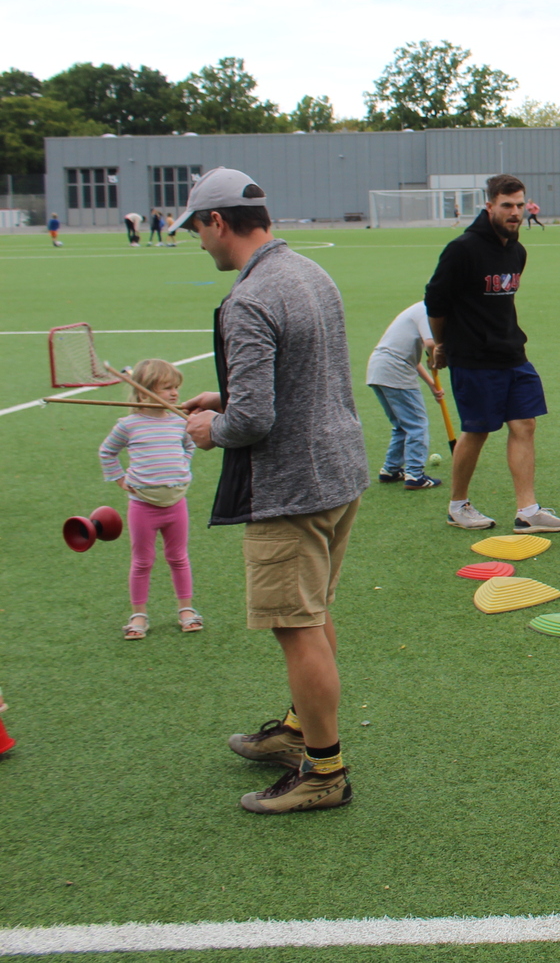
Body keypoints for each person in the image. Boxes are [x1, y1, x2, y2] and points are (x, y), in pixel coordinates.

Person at [172, 167, 368, 814]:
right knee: (313, 613)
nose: (198, 240)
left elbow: (253, 421)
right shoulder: (311, 272)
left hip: (291, 488)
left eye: (197, 228)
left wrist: (213, 428)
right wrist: (226, 396)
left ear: (217, 221)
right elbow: (301, 375)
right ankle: (298, 729)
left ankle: (323, 771)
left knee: (296, 626)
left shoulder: (249, 298)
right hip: (338, 473)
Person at [424, 173, 560, 534]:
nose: (515, 212)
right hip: (473, 357)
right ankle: (458, 506)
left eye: (520, 205)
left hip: (512, 353)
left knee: (525, 424)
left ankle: (528, 511)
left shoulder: (516, 251)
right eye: (507, 205)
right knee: (477, 431)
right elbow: (435, 302)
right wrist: (441, 344)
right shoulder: (462, 249)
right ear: (489, 206)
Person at [99, 358, 200, 640]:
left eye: (176, 387)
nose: (175, 393)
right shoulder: (129, 425)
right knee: (142, 561)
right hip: (143, 506)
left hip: (176, 503)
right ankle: (139, 615)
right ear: (144, 392)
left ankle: (186, 610)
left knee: (178, 557)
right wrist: (120, 479)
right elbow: (107, 452)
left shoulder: (179, 420)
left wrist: (182, 467)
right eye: (167, 388)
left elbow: (189, 445)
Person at [365, 301, 443, 489]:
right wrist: (435, 359)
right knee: (417, 424)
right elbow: (431, 343)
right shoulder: (427, 309)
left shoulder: (415, 311)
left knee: (401, 425)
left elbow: (414, 360)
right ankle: (415, 475)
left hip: (378, 368)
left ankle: (391, 470)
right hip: (395, 370)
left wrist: (432, 385)